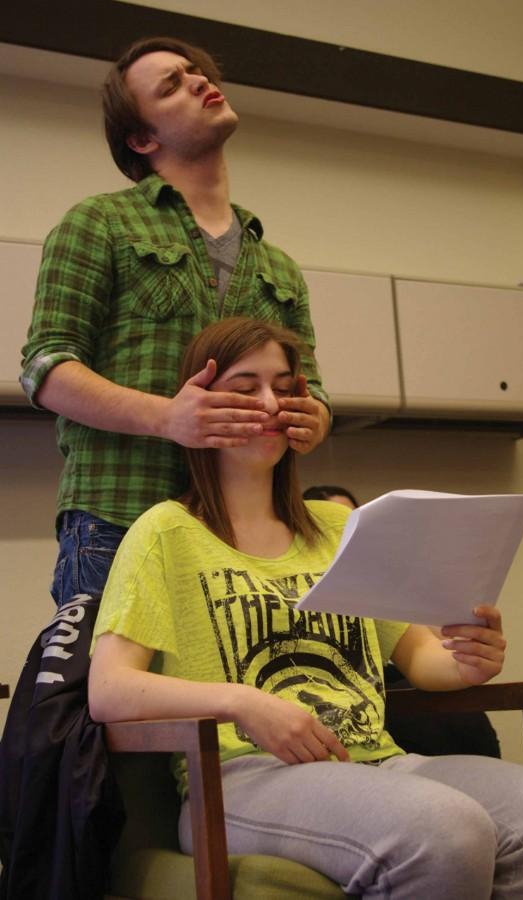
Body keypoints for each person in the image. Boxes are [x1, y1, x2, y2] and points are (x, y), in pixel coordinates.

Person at [88, 317, 523, 900]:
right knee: (444, 830)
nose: (270, 403)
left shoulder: (338, 527)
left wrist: (468, 659)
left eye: (284, 386)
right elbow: (110, 689)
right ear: (201, 403)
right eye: (245, 386)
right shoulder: (166, 533)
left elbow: (419, 655)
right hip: (242, 779)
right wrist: (244, 702)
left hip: (376, 762)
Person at [20, 36, 330, 608]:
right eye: (170, 85)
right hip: (120, 517)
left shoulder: (277, 264)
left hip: (245, 531)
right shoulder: (99, 222)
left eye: (195, 72)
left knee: (238, 697)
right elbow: (45, 366)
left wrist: (315, 418)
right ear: (142, 138)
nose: (197, 80)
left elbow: (313, 388)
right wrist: (169, 417)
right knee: (121, 697)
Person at [303, 484, 501, 758]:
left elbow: (426, 645)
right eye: (343, 526)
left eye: (356, 522)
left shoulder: (376, 573)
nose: (350, 536)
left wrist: (469, 654)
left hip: (392, 675)